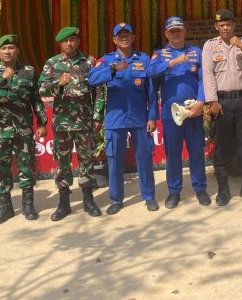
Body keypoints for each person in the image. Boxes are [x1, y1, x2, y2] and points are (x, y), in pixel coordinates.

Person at [0, 34, 48, 224]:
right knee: (0, 169)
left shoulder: (29, 71)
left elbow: (36, 99)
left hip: (23, 130)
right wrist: (1, 78)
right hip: (0, 132)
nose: (7, 51)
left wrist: (41, 123)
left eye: (11, 48)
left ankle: (28, 205)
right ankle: (5, 207)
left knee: (27, 167)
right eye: (4, 49)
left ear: (17, 50)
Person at [88, 23, 159, 214]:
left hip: (139, 118)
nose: (124, 38)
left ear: (133, 37)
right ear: (114, 40)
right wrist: (113, 69)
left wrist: (152, 117)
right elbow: (92, 80)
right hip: (115, 119)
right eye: (120, 36)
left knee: (144, 158)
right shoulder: (106, 60)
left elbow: (151, 92)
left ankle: (149, 196)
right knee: (114, 160)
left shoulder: (143, 60)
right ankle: (116, 200)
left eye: (127, 34)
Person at [202, 9, 242, 206]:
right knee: (222, 146)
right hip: (222, 102)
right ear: (217, 27)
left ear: (234, 25)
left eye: (229, 24)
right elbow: (208, 74)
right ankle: (223, 189)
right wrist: (212, 101)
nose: (226, 28)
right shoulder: (210, 46)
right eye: (222, 25)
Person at [39, 26, 102, 220]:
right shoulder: (52, 64)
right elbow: (41, 89)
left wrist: (97, 116)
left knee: (87, 161)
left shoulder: (89, 62)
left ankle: (88, 200)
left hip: (84, 121)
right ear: (60, 43)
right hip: (62, 123)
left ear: (77, 41)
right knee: (63, 163)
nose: (69, 44)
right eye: (65, 41)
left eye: (73, 40)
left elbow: (99, 90)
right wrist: (58, 84)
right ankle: (64, 203)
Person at [148, 17, 211, 208]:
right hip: (171, 114)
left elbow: (204, 80)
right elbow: (150, 73)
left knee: (196, 152)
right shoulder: (159, 55)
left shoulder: (196, 52)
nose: (176, 33)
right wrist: (172, 63)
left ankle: (200, 189)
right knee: (173, 153)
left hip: (193, 111)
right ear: (166, 34)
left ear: (184, 31)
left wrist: (201, 103)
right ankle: (174, 192)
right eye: (172, 31)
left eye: (179, 30)